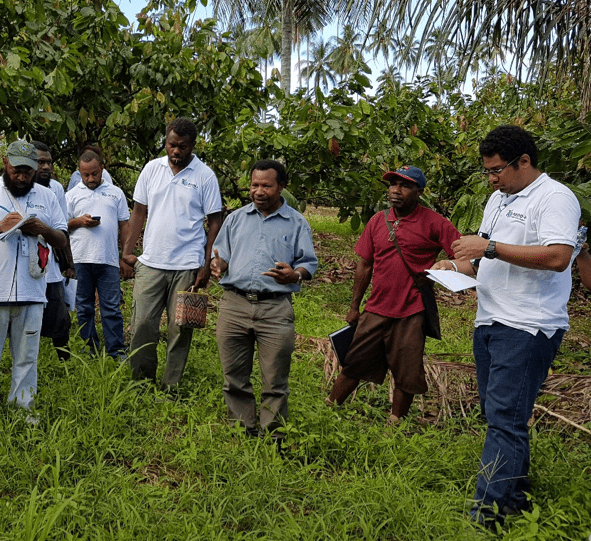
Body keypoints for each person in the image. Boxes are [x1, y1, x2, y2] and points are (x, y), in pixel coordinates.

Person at [432, 126, 580, 527]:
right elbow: (481, 261)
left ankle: (487, 515)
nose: (493, 178)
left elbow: (557, 256)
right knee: (500, 414)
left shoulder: (555, 198)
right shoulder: (497, 200)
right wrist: (454, 267)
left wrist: (490, 247)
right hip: (491, 319)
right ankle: (514, 498)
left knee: (504, 419)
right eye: (488, 172)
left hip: (529, 325)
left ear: (525, 162)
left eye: (498, 170)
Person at [328, 165, 460, 423]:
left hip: (412, 310)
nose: (396, 191)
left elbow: (461, 254)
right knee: (354, 361)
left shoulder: (434, 222)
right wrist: (354, 306)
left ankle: (395, 421)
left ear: (419, 191)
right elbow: (365, 264)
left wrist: (440, 270)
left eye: (405, 186)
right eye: (393, 184)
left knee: (406, 371)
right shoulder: (378, 221)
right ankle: (330, 407)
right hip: (376, 308)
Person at [0, 140, 68, 417]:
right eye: (17, 170)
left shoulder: (47, 196)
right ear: (5, 163)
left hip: (32, 291)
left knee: (27, 358)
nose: (22, 177)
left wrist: (43, 229)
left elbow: (62, 238)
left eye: (28, 172)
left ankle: (23, 411)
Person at [210, 160, 317, 441]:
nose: (259, 191)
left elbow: (308, 264)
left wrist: (295, 274)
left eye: (266, 186)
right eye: (254, 185)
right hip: (235, 304)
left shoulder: (296, 223)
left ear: (281, 186)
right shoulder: (235, 219)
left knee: (275, 379)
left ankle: (274, 438)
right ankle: (241, 431)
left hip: (275, 307)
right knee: (234, 376)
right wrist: (218, 264)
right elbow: (221, 253)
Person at [122, 118, 223, 387]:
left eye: (182, 147)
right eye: (171, 145)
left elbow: (215, 221)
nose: (176, 151)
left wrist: (206, 263)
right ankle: (141, 382)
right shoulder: (152, 169)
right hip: (151, 262)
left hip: (187, 264)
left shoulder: (205, 176)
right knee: (142, 324)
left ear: (192, 146)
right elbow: (139, 212)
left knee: (180, 329)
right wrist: (127, 252)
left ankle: (171, 386)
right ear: (165, 142)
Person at [66, 149, 130, 358]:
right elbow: (60, 226)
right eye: (86, 175)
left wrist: (125, 256)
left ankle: (116, 351)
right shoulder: (71, 195)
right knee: (84, 307)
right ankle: (89, 349)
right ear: (79, 172)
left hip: (108, 260)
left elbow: (124, 225)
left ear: (102, 168)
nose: (90, 179)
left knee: (111, 308)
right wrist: (79, 221)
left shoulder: (116, 193)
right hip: (81, 259)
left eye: (94, 173)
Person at [31, 140, 72, 361]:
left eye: (49, 162)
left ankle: (64, 361)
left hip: (52, 264)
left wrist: (70, 264)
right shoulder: (18, 188)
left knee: (59, 317)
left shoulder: (56, 188)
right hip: (27, 263)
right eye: (40, 162)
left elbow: (63, 228)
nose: (46, 167)